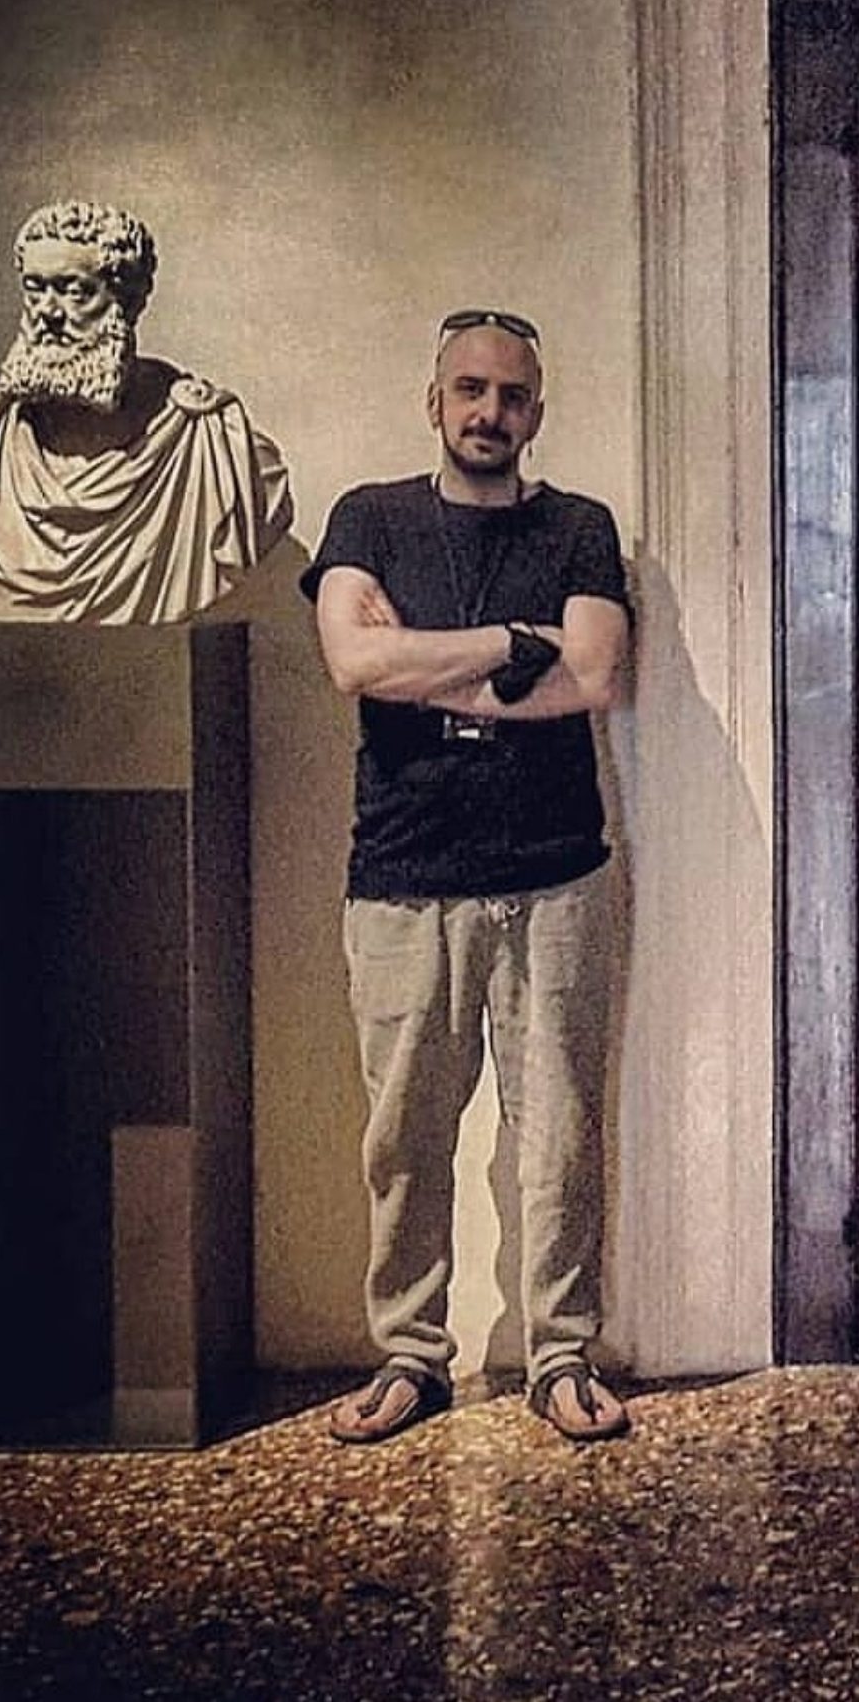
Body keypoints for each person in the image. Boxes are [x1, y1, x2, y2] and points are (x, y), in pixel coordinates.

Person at [303, 309, 632, 1444]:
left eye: (511, 394)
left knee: (560, 1136)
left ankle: (561, 1353)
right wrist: (505, 644)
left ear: (537, 410)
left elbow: (592, 674)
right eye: (470, 389)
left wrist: (419, 663)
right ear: (434, 400)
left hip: (554, 875)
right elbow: (351, 659)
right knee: (404, 1140)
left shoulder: (580, 526)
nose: (490, 410)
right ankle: (410, 1353)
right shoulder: (369, 516)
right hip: (403, 874)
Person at [0, 200, 293, 622]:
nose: (48, 312)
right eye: (35, 288)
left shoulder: (217, 448)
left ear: (128, 302)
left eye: (75, 291)